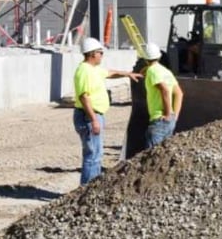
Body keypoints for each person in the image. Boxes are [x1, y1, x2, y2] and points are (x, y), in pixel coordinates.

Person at [73, 37, 140, 185]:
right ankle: (86, 189)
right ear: (92, 54)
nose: (102, 55)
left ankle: (92, 187)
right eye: (100, 53)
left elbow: (109, 73)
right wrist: (94, 119)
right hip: (89, 116)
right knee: (92, 155)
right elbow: (84, 97)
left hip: (94, 115)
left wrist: (127, 74)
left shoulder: (94, 69)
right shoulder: (84, 71)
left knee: (96, 153)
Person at [139, 42, 183, 149]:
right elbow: (179, 93)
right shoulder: (165, 71)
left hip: (159, 120)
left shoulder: (152, 71)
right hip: (169, 121)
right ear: (159, 56)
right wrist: (174, 116)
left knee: (151, 157)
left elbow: (164, 90)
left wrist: (167, 114)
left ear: (144, 59)